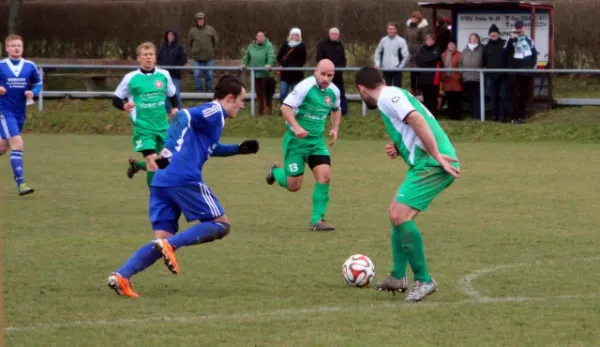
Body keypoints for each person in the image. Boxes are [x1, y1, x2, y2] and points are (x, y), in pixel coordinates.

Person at [107, 75, 260, 298]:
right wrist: (168, 149)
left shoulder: (215, 120)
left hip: (162, 180)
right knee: (221, 224)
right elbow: (183, 116)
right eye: (241, 100)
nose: (242, 105)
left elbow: (209, 147)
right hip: (182, 177)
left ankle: (122, 275)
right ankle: (172, 246)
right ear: (229, 97)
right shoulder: (215, 110)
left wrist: (237, 149)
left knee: (161, 240)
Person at [354, 66, 460, 302]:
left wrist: (436, 154)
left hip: (434, 162)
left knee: (400, 215)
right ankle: (398, 277)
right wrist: (400, 146)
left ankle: (424, 280)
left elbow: (416, 118)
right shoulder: (391, 96)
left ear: (362, 89)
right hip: (427, 160)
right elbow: (410, 126)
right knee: (395, 214)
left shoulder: (389, 96)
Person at [265, 59, 342, 231]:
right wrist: (296, 126)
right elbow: (285, 108)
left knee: (325, 177)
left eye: (330, 75)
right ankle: (275, 172)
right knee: (294, 186)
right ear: (316, 71)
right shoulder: (304, 87)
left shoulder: (334, 91)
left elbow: (337, 109)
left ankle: (317, 221)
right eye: (323, 74)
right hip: (296, 143)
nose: (326, 78)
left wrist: (335, 128)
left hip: (316, 143)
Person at [112, 42, 180, 188]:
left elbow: (173, 94)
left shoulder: (164, 75)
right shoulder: (131, 78)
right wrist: (123, 105)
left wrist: (175, 108)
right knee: (153, 162)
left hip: (162, 126)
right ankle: (156, 200)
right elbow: (116, 99)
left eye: (151, 55)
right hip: (143, 127)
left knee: (165, 163)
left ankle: (136, 166)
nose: (148, 58)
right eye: (145, 55)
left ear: (155, 58)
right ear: (139, 58)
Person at [0, 34, 43, 196]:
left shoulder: (30, 66)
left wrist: (32, 92)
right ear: (7, 48)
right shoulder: (1, 65)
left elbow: (38, 83)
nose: (16, 48)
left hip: (20, 112)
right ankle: (21, 184)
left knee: (3, 147)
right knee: (17, 144)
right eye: (13, 46)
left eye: (19, 45)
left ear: (22, 48)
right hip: (4, 111)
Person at [504, 20, 537, 124]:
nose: (519, 30)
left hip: (526, 73)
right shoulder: (511, 40)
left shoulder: (530, 40)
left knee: (523, 95)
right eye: (517, 29)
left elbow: (534, 55)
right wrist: (511, 39)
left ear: (523, 28)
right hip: (514, 73)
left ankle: (521, 117)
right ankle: (513, 118)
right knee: (514, 95)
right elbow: (505, 52)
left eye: (520, 28)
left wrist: (531, 67)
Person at [242, 30, 276, 115]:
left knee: (268, 94)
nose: (261, 38)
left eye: (263, 36)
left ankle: (269, 111)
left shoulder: (268, 45)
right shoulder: (251, 46)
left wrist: (269, 63)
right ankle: (260, 112)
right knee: (259, 94)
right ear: (256, 37)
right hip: (255, 74)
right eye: (260, 36)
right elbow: (246, 56)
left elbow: (271, 55)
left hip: (266, 74)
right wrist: (244, 64)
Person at [316, 27, 348, 116]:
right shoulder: (323, 45)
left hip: (338, 74)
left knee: (340, 92)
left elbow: (343, 58)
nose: (335, 36)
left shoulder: (340, 45)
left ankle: (343, 111)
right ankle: (324, 110)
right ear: (329, 35)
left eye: (336, 34)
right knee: (325, 92)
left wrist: (342, 67)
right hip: (326, 74)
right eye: (333, 34)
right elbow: (319, 58)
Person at [483, 24, 509, 122]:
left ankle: (503, 116)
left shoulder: (504, 44)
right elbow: (484, 61)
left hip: (503, 76)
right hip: (491, 77)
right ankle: (495, 116)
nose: (493, 34)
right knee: (493, 98)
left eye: (495, 33)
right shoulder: (486, 47)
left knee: (503, 96)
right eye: (492, 33)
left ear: (498, 34)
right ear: (489, 35)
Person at [158, 28, 188, 113]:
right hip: (164, 75)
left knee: (175, 93)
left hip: (174, 75)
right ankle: (167, 111)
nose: (170, 36)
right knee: (164, 94)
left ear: (175, 36)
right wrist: (162, 66)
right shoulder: (163, 47)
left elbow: (183, 59)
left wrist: (175, 67)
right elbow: (159, 59)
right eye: (168, 35)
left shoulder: (180, 47)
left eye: (172, 35)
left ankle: (179, 111)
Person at [189, 12, 219, 93]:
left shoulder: (210, 29)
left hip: (209, 57)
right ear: (196, 20)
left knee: (209, 75)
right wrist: (194, 51)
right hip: (197, 58)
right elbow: (190, 43)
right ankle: (198, 90)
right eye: (198, 19)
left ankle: (209, 89)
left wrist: (212, 50)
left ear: (204, 20)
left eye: (201, 19)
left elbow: (216, 42)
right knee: (197, 75)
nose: (200, 21)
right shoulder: (192, 31)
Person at [374, 21, 410, 88]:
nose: (392, 31)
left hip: (397, 70)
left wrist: (400, 67)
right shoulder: (383, 40)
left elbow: (406, 56)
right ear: (387, 30)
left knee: (397, 90)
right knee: (386, 90)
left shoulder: (401, 41)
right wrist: (377, 64)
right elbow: (377, 53)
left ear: (396, 30)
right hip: (385, 69)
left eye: (393, 29)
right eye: (390, 29)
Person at [277, 27, 307, 103]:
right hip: (285, 74)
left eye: (297, 35)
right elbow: (279, 57)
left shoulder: (302, 46)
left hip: (296, 74)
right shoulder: (285, 45)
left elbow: (303, 60)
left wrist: (294, 66)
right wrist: (284, 65)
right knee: (283, 92)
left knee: (295, 93)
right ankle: (283, 109)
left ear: (299, 36)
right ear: (290, 35)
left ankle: (293, 109)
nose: (295, 36)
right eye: (293, 35)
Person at [415, 34, 441, 116]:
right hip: (423, 77)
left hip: (433, 77)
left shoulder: (437, 48)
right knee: (425, 97)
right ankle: (426, 114)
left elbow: (435, 58)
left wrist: (425, 60)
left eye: (431, 40)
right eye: (427, 40)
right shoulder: (422, 48)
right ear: (425, 41)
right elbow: (418, 60)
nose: (429, 42)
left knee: (433, 97)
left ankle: (433, 114)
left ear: (433, 41)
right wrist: (428, 60)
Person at [460, 33, 484, 120]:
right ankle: (471, 115)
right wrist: (463, 74)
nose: (473, 39)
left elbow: (484, 62)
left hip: (478, 78)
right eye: (472, 38)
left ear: (478, 39)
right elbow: (461, 63)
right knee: (470, 97)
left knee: (477, 97)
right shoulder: (465, 50)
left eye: (475, 38)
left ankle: (477, 115)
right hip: (467, 78)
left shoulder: (481, 50)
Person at [440, 39, 463, 120]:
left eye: (452, 44)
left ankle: (457, 116)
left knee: (457, 99)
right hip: (447, 80)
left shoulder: (460, 54)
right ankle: (450, 115)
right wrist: (443, 77)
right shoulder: (443, 55)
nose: (451, 46)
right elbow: (441, 67)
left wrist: (459, 76)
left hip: (456, 80)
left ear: (455, 45)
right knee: (449, 99)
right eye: (449, 44)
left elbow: (462, 66)